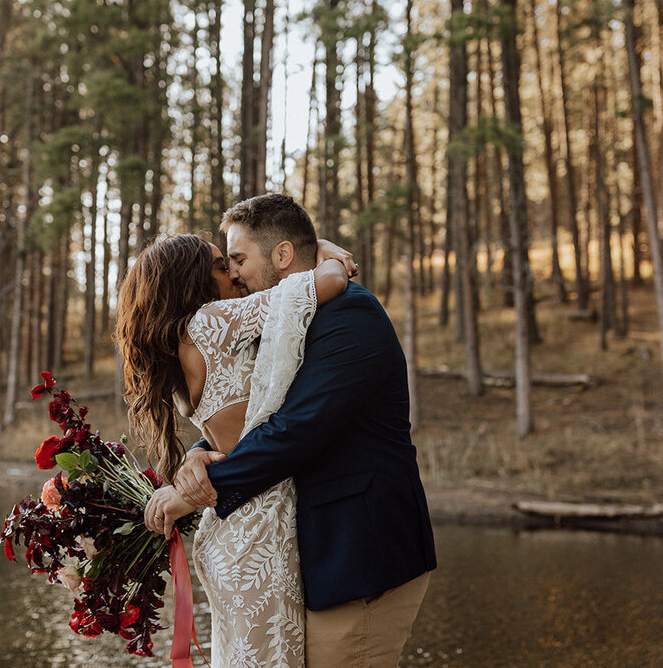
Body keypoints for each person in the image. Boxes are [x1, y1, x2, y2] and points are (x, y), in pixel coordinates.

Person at [146, 193, 437, 668]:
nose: (233, 274)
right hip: (312, 560)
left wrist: (196, 493)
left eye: (238, 259)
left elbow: (297, 427)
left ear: (281, 255)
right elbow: (257, 408)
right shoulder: (279, 323)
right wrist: (204, 449)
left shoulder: (349, 315)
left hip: (359, 557)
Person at [115, 228, 354, 666]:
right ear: (193, 281)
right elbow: (332, 283)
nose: (235, 275)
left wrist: (196, 452)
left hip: (232, 528)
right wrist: (327, 252)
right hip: (260, 533)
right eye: (222, 267)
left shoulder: (179, 350)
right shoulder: (213, 321)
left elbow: (236, 428)